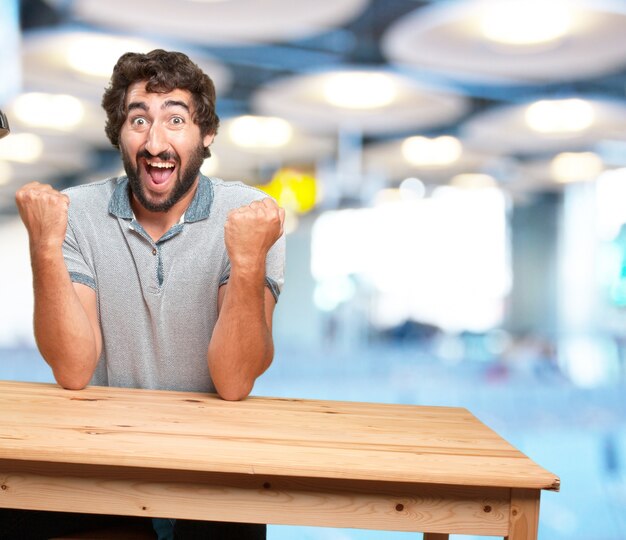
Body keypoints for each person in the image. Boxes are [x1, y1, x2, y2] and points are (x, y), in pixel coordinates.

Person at [8, 49, 285, 539]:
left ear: (207, 135)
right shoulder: (77, 213)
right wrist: (45, 245)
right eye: (139, 120)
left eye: (176, 119)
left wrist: (246, 262)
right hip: (102, 461)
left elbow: (235, 380)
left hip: (213, 469)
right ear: (119, 134)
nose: (155, 141)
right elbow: (73, 367)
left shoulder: (251, 215)